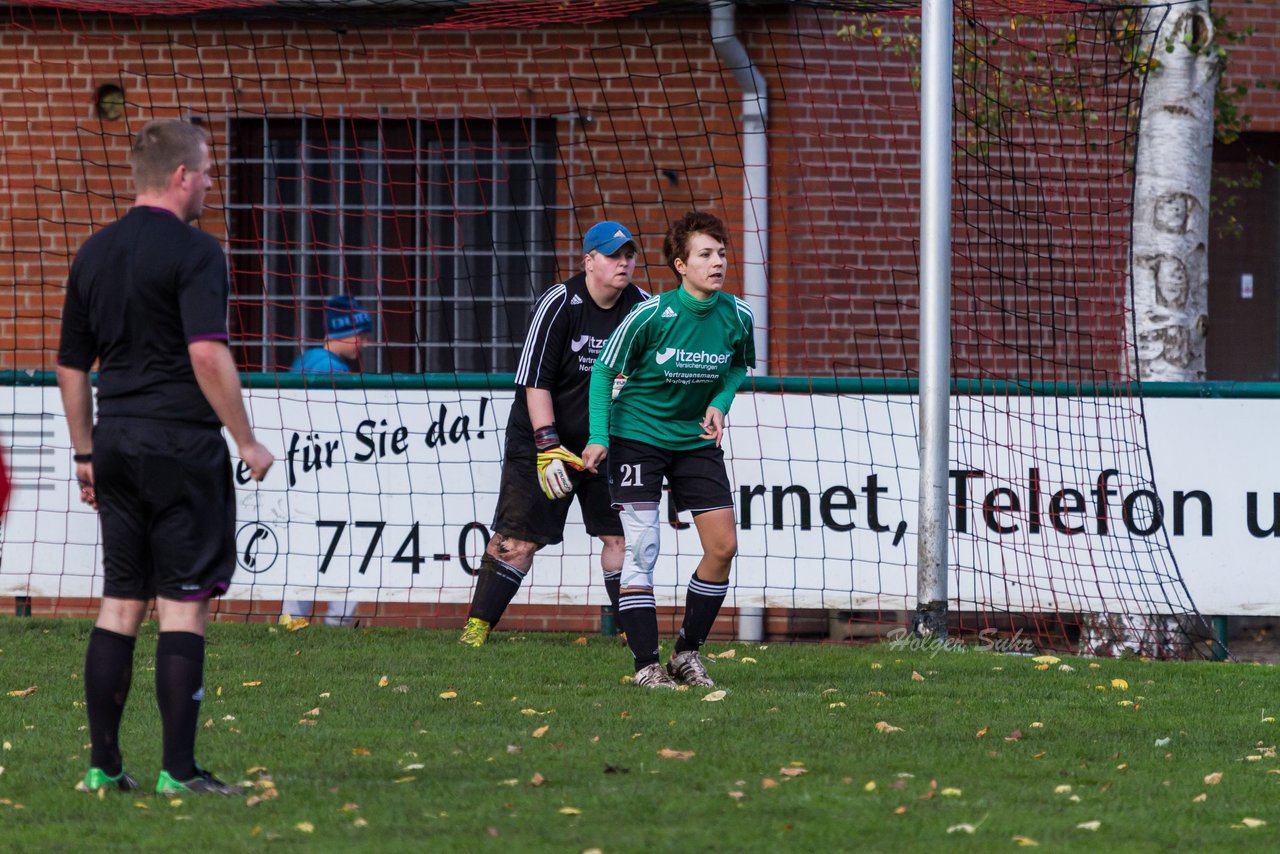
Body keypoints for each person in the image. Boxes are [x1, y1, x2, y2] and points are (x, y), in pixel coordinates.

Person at [56, 118, 275, 796]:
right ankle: (178, 773)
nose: (211, 181)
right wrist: (244, 438)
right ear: (181, 177)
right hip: (180, 444)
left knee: (120, 603)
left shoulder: (92, 252)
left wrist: (85, 455)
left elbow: (69, 367)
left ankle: (103, 768)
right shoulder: (197, 252)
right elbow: (206, 352)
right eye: (207, 171)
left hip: (116, 441)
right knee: (183, 608)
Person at [582, 211, 754, 689]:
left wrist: (720, 403)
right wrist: (599, 437)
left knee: (723, 547)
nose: (717, 262)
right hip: (638, 435)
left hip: (694, 440)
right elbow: (602, 371)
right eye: (705, 254)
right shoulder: (650, 315)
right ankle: (644, 666)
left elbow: (737, 367)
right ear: (681, 265)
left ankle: (685, 654)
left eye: (721, 252)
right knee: (643, 549)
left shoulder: (738, 315)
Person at [458, 221, 649, 646]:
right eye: (613, 255)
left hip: (607, 440)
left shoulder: (642, 308)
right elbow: (534, 381)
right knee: (517, 542)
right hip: (541, 439)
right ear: (588, 261)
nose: (624, 263)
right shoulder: (560, 303)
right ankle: (476, 630)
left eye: (629, 255)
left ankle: (631, 635)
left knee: (622, 536)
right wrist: (547, 446)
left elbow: (649, 381)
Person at [281, 293, 372, 626]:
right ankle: (337, 623)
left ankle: (292, 620)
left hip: (303, 476)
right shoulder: (331, 370)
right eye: (360, 335)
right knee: (351, 547)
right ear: (340, 332)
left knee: (304, 550)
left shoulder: (304, 361)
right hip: (330, 476)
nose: (364, 343)